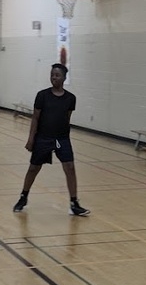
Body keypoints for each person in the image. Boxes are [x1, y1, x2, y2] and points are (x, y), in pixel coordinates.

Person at [13, 63, 90, 216]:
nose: (54, 77)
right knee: (34, 168)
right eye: (52, 74)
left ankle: (74, 203)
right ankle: (23, 197)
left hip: (61, 139)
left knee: (70, 168)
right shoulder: (42, 95)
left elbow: (67, 118)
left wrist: (63, 137)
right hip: (43, 138)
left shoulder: (70, 98)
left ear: (64, 78)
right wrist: (31, 139)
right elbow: (35, 118)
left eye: (57, 75)